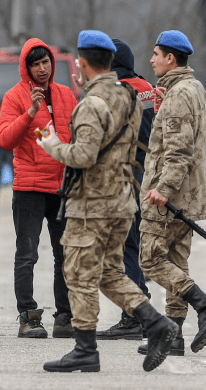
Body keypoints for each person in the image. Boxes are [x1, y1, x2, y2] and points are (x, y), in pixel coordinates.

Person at [38, 30, 178, 373]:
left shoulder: (92, 104)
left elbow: (84, 154)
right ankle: (155, 323)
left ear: (84, 64)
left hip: (92, 204)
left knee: (79, 273)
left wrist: (51, 144)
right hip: (123, 199)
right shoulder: (129, 97)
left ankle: (86, 349)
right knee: (111, 272)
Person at [0, 38, 76, 338]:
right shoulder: (14, 97)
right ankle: (28, 316)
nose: (42, 69)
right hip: (29, 186)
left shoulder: (67, 94)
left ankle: (65, 316)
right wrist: (30, 111)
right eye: (35, 64)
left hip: (62, 187)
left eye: (46, 62)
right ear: (26, 68)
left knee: (65, 253)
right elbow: (5, 139)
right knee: (27, 253)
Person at [137, 30, 206, 357]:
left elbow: (179, 151)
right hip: (188, 194)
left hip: (169, 195)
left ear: (171, 58)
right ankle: (174, 336)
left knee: (150, 260)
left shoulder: (179, 94)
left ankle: (203, 305)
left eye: (156, 54)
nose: (151, 60)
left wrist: (162, 189)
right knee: (177, 260)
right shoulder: (192, 88)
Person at [97, 39, 154, 340]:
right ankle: (138, 311)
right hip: (146, 173)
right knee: (133, 243)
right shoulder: (147, 86)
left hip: (121, 176)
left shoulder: (114, 89)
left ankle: (135, 316)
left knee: (122, 247)